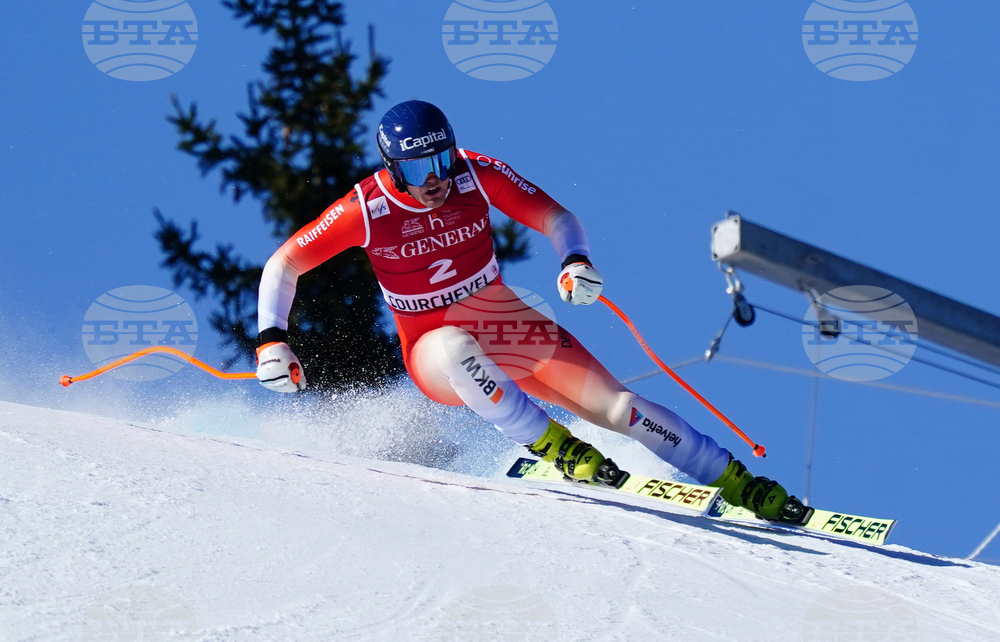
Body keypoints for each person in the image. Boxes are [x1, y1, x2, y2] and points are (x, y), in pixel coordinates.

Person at [255, 100, 807, 522]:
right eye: (419, 168)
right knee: (454, 348)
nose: (435, 180)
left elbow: (556, 217)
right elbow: (285, 264)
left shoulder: (475, 174)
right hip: (433, 348)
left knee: (622, 408)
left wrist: (574, 261)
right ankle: (553, 446)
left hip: (506, 323)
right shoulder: (366, 208)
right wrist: (272, 339)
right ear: (393, 168)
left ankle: (739, 482)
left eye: (442, 160)